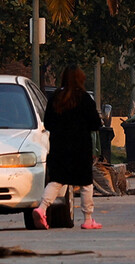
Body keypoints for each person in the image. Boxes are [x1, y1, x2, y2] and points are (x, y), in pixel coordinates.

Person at [33, 66, 105, 230]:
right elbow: (95, 124)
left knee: (57, 181)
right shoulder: (85, 98)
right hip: (80, 148)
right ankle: (88, 219)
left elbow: (48, 123)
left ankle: (41, 208)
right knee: (86, 183)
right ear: (81, 79)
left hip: (59, 147)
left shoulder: (55, 98)